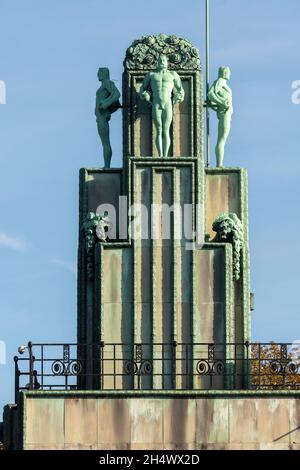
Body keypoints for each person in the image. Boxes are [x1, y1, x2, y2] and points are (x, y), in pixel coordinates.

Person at [140, 54, 185, 157]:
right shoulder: (151, 75)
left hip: (168, 103)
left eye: (164, 60)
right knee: (159, 129)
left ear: (167, 62)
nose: (162, 62)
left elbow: (180, 90)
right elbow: (143, 89)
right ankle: (160, 155)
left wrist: (179, 96)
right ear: (157, 62)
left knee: (166, 129)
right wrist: (145, 94)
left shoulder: (173, 75)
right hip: (156, 103)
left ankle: (165, 155)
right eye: (160, 60)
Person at [207, 66, 233, 167]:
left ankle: (219, 163)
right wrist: (222, 102)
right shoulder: (220, 81)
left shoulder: (223, 83)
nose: (229, 74)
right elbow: (210, 95)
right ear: (225, 72)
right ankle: (219, 164)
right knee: (222, 140)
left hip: (227, 113)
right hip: (225, 113)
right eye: (228, 72)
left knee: (222, 139)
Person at [95, 68, 121, 168]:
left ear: (104, 73)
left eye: (100, 72)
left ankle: (107, 166)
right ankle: (107, 165)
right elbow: (117, 105)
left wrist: (106, 104)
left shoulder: (107, 82)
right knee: (105, 143)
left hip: (102, 116)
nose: (98, 74)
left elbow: (117, 94)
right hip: (101, 116)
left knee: (105, 143)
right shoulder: (104, 84)